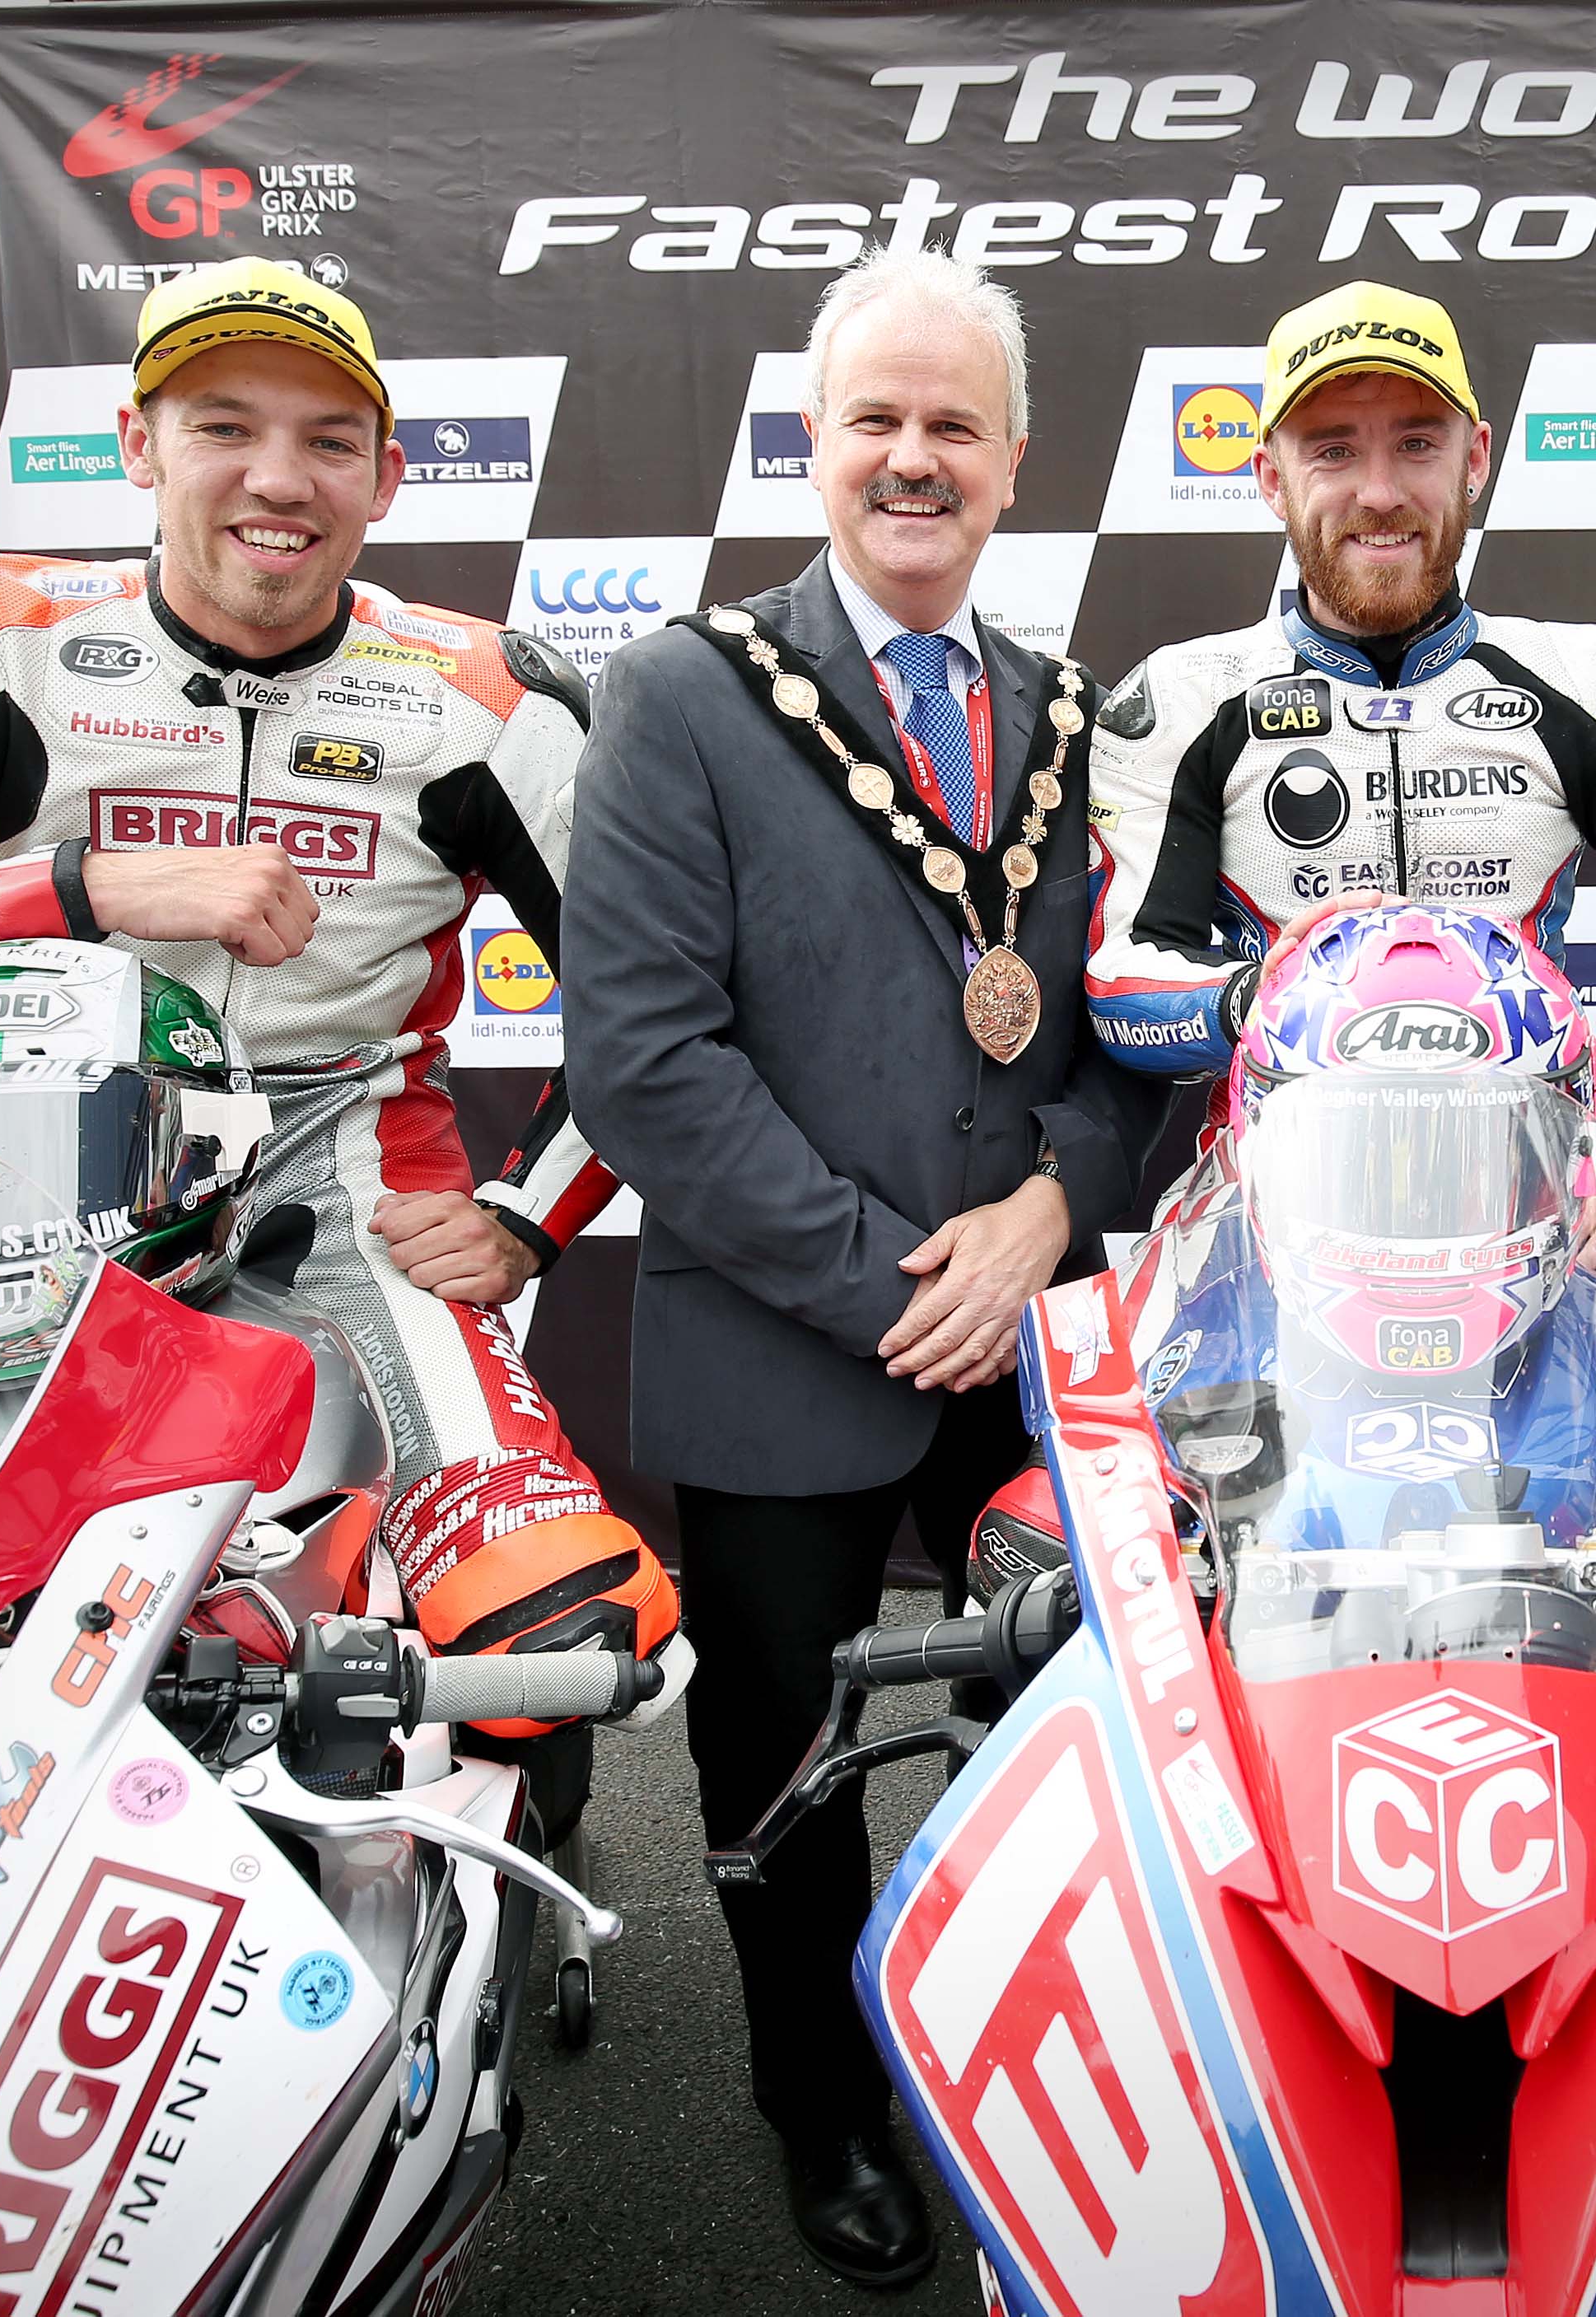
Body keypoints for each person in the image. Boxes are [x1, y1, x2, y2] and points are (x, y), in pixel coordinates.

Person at [0, 258, 675, 1746]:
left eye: (326, 439)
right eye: (222, 425)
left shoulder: (485, 699)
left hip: (346, 1187)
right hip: (2, 1194)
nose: (275, 477)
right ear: (137, 445)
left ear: (383, 477)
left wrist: (525, 1215)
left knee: (557, 1624)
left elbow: (665, 1012)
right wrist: (75, 890)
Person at [561, 249, 1166, 2290]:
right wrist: (904, 1282)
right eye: (873, 420)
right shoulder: (679, 691)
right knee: (779, 1764)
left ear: (1014, 459)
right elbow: (642, 1066)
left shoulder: (1074, 718)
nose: (913, 457)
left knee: (1059, 1728)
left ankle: (1030, 2066)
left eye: (953, 424)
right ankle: (815, 2092)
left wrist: (1047, 1213)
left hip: (1031, 1345)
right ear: (815, 445)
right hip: (792, 1341)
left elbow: (1115, 1041)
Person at [1084, 279, 1596, 1279]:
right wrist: (1260, 999)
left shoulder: (1594, 683)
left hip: (1544, 1230)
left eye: (1417, 442)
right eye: (1332, 449)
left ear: (1476, 459)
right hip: (1270, 1233)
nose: (1379, 490)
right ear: (1270, 476)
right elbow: (1118, 979)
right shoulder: (1186, 701)